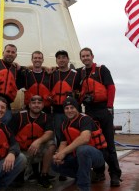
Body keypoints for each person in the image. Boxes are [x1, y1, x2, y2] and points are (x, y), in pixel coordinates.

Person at [77, 47, 122, 186]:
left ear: (92, 56)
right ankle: (99, 172)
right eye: (83, 56)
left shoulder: (102, 70)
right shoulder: (80, 72)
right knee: (95, 143)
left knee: (109, 143)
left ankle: (115, 174)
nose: (85, 58)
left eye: (87, 56)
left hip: (104, 109)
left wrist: (109, 106)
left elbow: (111, 88)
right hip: (89, 110)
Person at [52, 97, 106, 191]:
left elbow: (85, 138)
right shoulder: (64, 124)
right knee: (54, 164)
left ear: (77, 108)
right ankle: (86, 174)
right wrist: (59, 156)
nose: (69, 110)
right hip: (77, 157)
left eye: (72, 107)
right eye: (66, 108)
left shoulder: (85, 119)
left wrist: (63, 152)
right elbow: (63, 143)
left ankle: (83, 187)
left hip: (96, 156)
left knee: (83, 150)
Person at [8, 94, 56, 188]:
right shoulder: (18, 117)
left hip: (38, 151)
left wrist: (38, 141)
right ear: (29, 105)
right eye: (33, 103)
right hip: (22, 152)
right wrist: (13, 152)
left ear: (42, 105)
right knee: (18, 181)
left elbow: (49, 133)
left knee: (52, 145)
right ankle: (23, 173)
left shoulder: (46, 117)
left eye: (39, 103)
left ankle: (43, 175)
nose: (36, 105)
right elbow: (9, 137)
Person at [50, 50, 80, 145]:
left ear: (68, 59)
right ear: (56, 61)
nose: (61, 60)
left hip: (72, 111)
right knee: (59, 136)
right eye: (59, 58)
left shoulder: (76, 75)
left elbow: (79, 92)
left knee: (74, 135)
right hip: (57, 112)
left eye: (64, 57)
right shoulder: (52, 74)